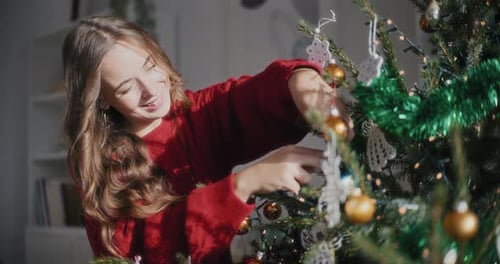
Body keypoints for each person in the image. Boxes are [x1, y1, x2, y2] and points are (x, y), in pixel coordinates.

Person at [63, 16, 353, 264]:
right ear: (101, 100)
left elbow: (245, 99)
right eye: (127, 87)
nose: (150, 90)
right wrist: (242, 185)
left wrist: (299, 82)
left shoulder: (195, 115)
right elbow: (142, 248)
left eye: (150, 67)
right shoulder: (97, 161)